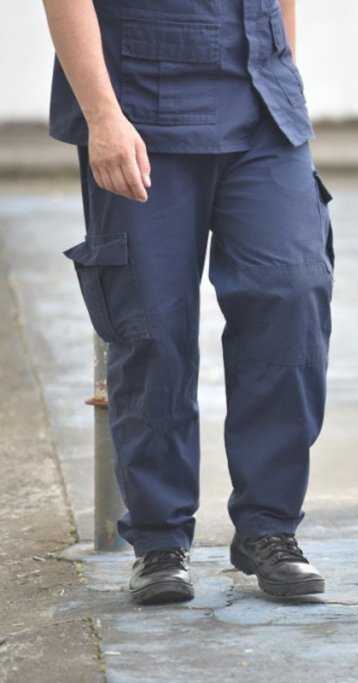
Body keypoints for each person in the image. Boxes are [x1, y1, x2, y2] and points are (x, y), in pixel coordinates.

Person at [42, 0, 334, 603]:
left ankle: (270, 527)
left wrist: (284, 74)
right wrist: (102, 116)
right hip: (140, 103)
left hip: (261, 98)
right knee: (152, 325)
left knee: (293, 291)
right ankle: (159, 539)